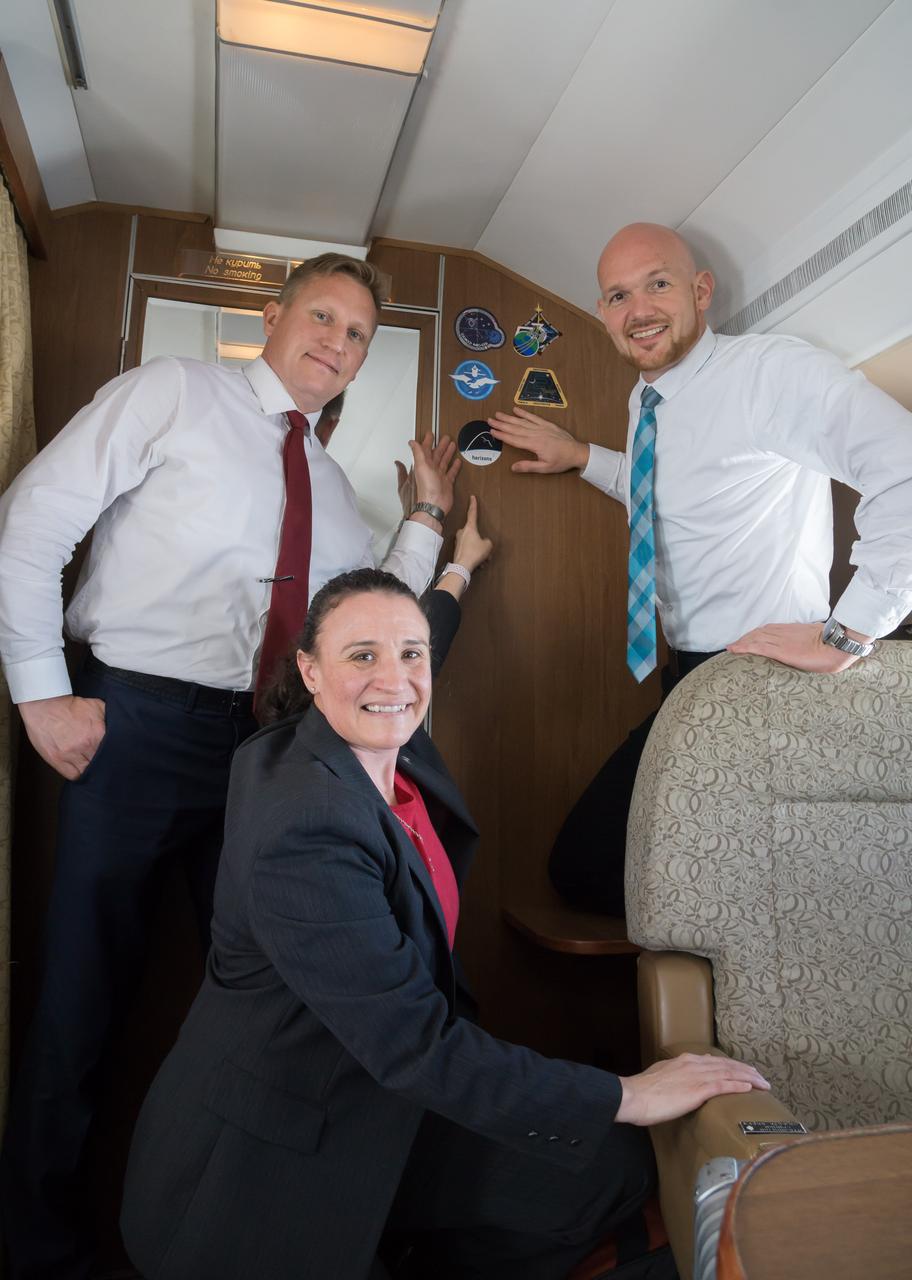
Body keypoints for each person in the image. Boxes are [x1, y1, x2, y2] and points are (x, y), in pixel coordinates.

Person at [0, 252, 461, 1279]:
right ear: (273, 315)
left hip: (263, 752)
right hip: (135, 726)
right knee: (81, 990)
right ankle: (32, 1247)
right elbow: (34, 516)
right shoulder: (172, 392)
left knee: (274, 999)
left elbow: (376, 604)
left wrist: (428, 517)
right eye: (323, 316)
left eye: (357, 335)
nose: (337, 342)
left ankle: (240, 1236)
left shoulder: (337, 492)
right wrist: (40, 689)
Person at [119, 567, 769, 1280]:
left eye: (411, 654)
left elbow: (410, 645)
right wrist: (632, 1092)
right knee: (611, 1133)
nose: (393, 678)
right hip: (265, 1169)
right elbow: (414, 1047)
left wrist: (457, 569)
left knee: (602, 1168)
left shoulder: (381, 739)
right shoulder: (303, 830)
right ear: (309, 670)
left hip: (384, 1100)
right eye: (361, 656)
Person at [489, 223, 912, 914]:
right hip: (687, 672)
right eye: (619, 295)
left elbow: (906, 469)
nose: (640, 309)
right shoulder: (645, 401)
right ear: (603, 314)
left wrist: (849, 632)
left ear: (700, 291)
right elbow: (670, 493)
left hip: (764, 677)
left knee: (587, 869)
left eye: (658, 283)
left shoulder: (769, 373)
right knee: (611, 869)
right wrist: (584, 458)